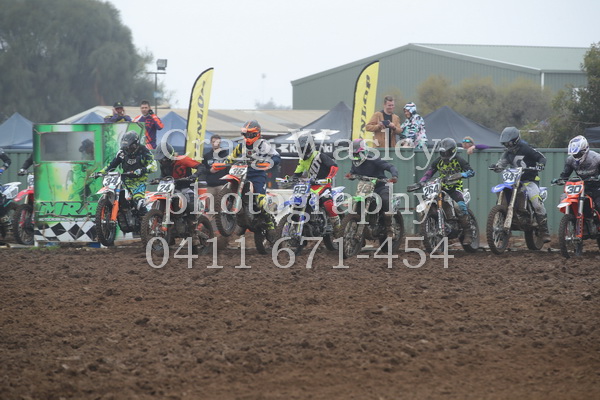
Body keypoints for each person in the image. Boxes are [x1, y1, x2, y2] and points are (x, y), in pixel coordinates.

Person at [213, 120, 281, 230]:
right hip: (243, 172)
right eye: (245, 134)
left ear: (256, 134)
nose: (247, 137)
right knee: (233, 185)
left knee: (260, 200)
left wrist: (270, 162)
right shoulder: (241, 145)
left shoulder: (263, 145)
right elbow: (231, 157)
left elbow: (276, 156)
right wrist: (225, 163)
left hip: (257, 174)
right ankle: (239, 215)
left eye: (250, 134)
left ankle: (269, 221)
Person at [489, 127, 550, 243]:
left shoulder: (526, 148)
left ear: (515, 140)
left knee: (537, 204)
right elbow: (501, 164)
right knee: (503, 194)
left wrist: (541, 164)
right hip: (514, 181)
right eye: (505, 143)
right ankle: (502, 223)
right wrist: (496, 167)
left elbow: (541, 157)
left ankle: (544, 231)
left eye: (508, 143)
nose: (507, 145)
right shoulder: (508, 153)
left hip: (530, 180)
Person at [416, 138, 475, 245]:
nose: (445, 154)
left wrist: (461, 174)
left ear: (453, 151)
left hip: (455, 187)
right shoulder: (438, 161)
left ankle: (468, 231)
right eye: (443, 152)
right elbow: (429, 173)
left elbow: (471, 172)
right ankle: (436, 227)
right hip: (441, 187)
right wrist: (421, 182)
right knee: (431, 201)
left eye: (447, 152)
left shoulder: (459, 160)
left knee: (459, 206)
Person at [345, 138, 398, 235]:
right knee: (358, 204)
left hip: (381, 186)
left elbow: (390, 166)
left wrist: (394, 176)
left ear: (364, 152)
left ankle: (389, 227)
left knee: (385, 200)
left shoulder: (373, 160)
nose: (356, 157)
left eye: (357, 154)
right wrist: (350, 176)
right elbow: (353, 173)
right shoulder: (355, 162)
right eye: (353, 154)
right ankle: (359, 231)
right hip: (365, 188)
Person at [291, 134, 341, 235]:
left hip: (323, 185)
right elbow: (298, 172)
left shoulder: (320, 156)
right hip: (310, 186)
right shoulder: (302, 160)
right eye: (300, 150)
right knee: (300, 201)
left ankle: (337, 226)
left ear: (310, 147)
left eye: (303, 149)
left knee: (327, 202)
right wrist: (292, 178)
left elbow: (334, 166)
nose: (302, 152)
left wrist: (328, 177)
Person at [98, 131, 157, 214]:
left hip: (139, 183)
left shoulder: (144, 151)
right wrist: (101, 172)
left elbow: (154, 166)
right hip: (125, 182)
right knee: (117, 196)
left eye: (130, 147)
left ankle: (145, 219)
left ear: (136, 144)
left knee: (139, 203)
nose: (128, 149)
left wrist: (142, 170)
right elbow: (112, 164)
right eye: (126, 147)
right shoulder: (122, 152)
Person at [552, 135, 600, 213]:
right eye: (574, 154)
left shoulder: (596, 158)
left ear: (585, 150)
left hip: (596, 186)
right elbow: (565, 174)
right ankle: (571, 216)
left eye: (578, 154)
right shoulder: (570, 160)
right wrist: (560, 180)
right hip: (580, 187)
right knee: (564, 197)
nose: (576, 156)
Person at [154, 142, 206, 215]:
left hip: (186, 186)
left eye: (164, 159)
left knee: (191, 205)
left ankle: (192, 219)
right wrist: (158, 180)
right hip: (172, 189)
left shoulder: (182, 159)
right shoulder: (163, 165)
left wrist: (194, 175)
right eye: (160, 160)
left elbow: (201, 166)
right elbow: (163, 176)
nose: (162, 162)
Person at [202, 135, 229, 218]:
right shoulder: (207, 156)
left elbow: (229, 168)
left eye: (217, 142)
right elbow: (202, 169)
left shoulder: (225, 155)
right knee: (211, 210)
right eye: (213, 142)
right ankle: (210, 224)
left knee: (221, 208)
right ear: (211, 142)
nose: (215, 144)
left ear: (220, 143)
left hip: (222, 184)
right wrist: (209, 171)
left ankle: (223, 223)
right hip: (210, 185)